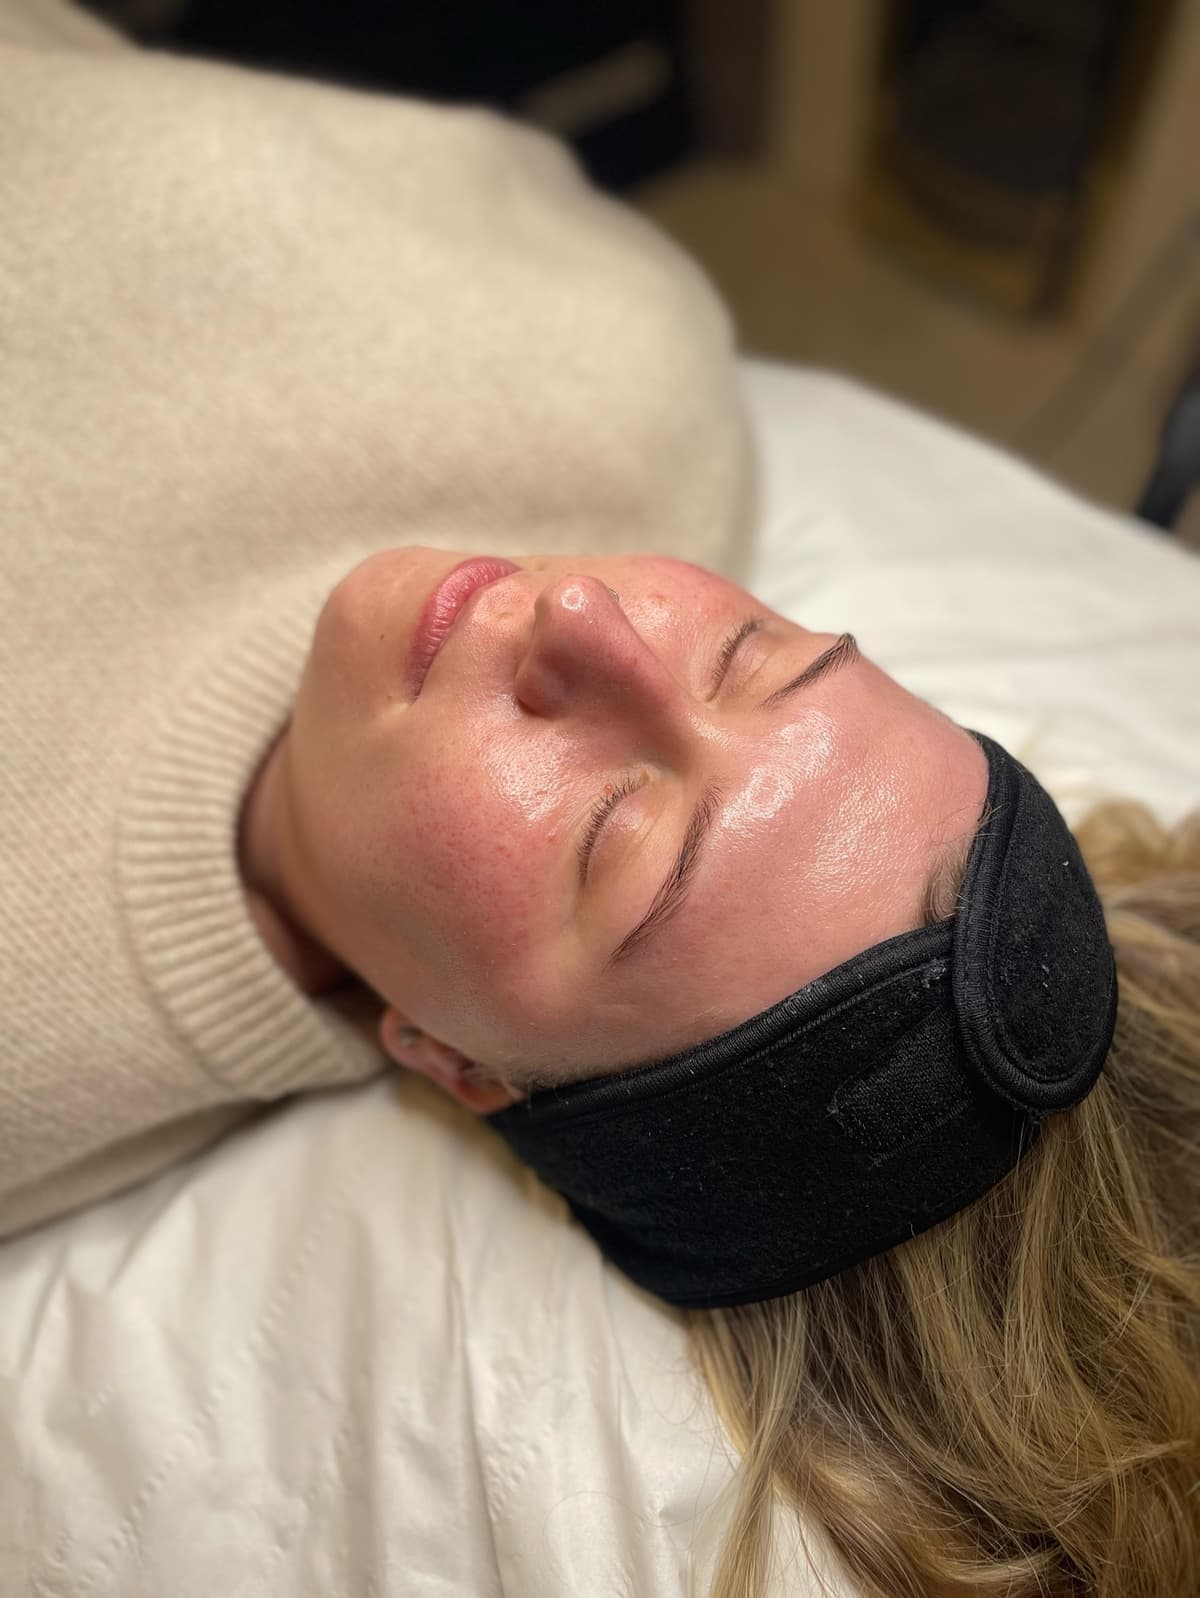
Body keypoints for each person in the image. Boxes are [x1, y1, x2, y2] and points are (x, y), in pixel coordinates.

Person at [2, 5, 1196, 1598]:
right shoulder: (617, 373)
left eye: (612, 833)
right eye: (755, 654)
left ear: (455, 1060)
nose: (582, 618)